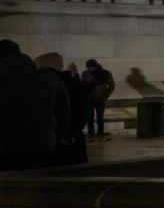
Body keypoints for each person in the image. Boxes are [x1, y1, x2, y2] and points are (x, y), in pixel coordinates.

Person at [0, 40, 68, 170]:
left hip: (5, 146)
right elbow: (64, 112)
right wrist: (55, 135)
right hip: (42, 145)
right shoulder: (48, 78)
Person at [83, 58, 115, 138]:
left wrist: (106, 95)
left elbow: (111, 85)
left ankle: (96, 132)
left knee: (95, 117)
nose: (89, 69)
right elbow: (111, 85)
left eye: (89, 67)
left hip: (96, 98)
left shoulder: (103, 73)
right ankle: (96, 132)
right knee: (95, 117)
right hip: (94, 98)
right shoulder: (86, 73)